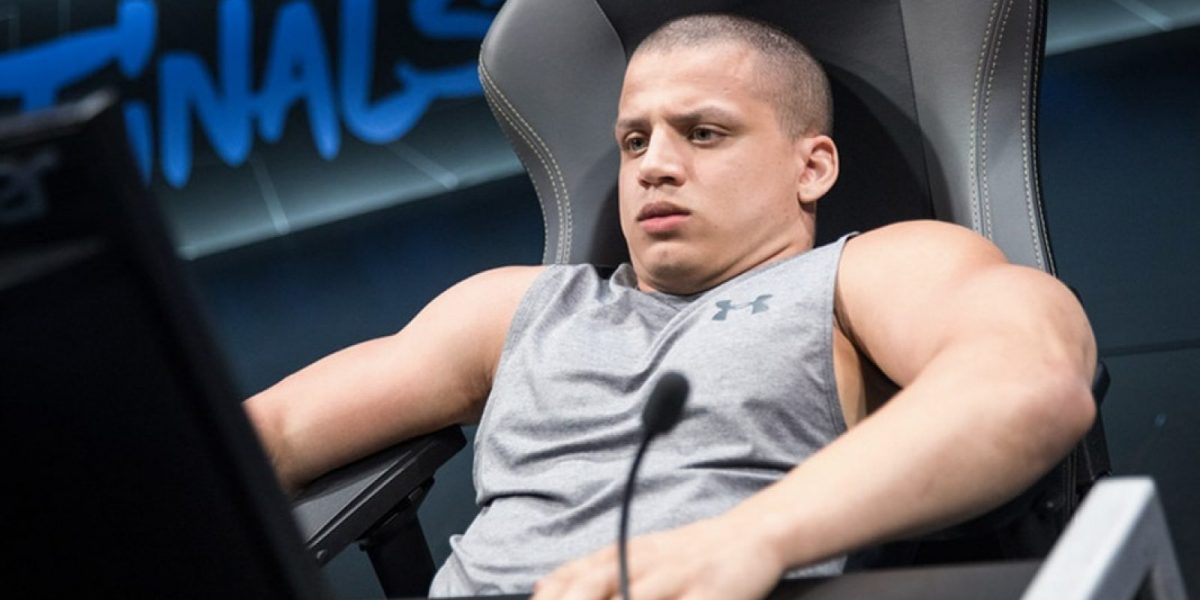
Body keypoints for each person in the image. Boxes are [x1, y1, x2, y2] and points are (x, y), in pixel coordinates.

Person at [244, 13, 1097, 600]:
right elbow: (267, 435)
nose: (653, 164)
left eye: (704, 132)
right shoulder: (513, 308)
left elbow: (1030, 381)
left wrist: (749, 539)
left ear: (812, 168)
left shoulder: (871, 271)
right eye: (634, 139)